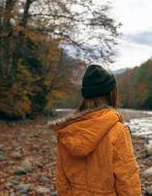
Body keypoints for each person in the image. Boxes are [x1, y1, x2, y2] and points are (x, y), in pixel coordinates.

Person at [51, 64, 142, 196]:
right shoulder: (117, 130)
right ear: (111, 94)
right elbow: (127, 180)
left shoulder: (68, 130)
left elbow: (62, 179)